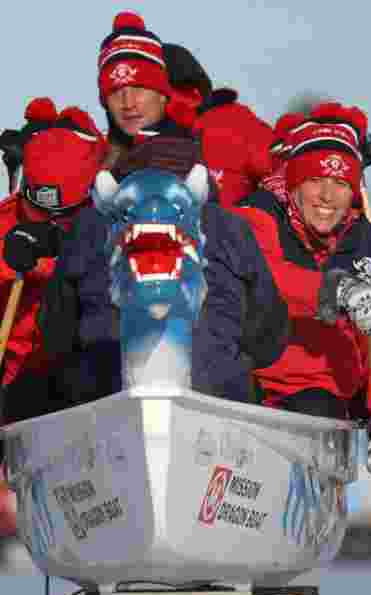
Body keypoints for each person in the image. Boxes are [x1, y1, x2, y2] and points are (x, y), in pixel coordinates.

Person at [235, 102, 371, 484]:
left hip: (321, 410)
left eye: (341, 184)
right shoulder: (255, 220)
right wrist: (334, 290)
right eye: (315, 181)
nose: (327, 196)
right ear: (293, 183)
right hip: (252, 395)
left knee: (319, 405)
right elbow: (267, 276)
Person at [0, 96, 108, 498]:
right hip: (25, 397)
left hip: (97, 388)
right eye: (37, 213)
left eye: (61, 218)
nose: (48, 226)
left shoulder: (114, 233)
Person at [38, 131, 290, 406]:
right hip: (221, 396)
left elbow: (55, 334)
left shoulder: (89, 225)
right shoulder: (232, 227)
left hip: (100, 396)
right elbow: (269, 338)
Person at [97, 12, 272, 206]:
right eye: (117, 91)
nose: (129, 102)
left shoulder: (231, 126)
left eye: (141, 89)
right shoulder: (111, 150)